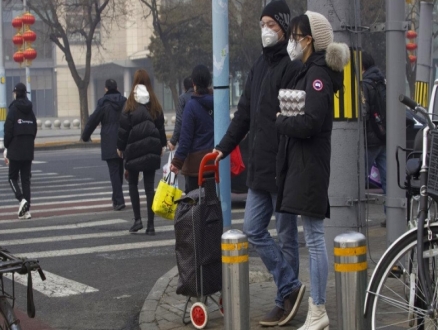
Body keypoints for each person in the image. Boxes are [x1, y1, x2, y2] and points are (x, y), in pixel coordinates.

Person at [213, 1, 304, 326]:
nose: (264, 30)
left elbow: (296, 120)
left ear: (282, 26)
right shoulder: (258, 67)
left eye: (270, 24)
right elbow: (243, 116)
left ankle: (284, 302)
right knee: (252, 228)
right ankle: (291, 286)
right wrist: (222, 148)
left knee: (287, 236)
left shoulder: (292, 67)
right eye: (262, 23)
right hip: (260, 167)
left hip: (284, 166)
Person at [276, 11, 350, 330]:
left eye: (296, 35)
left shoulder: (317, 73)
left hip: (311, 166)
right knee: (313, 237)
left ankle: (318, 310)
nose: (292, 41)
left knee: (316, 239)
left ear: (310, 40)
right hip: (306, 164)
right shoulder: (308, 70)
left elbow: (311, 122)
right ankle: (316, 309)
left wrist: (281, 121)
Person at [117, 69, 167, 235]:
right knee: (149, 186)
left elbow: (124, 128)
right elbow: (160, 125)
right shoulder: (154, 102)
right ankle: (151, 225)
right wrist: (162, 145)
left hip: (133, 148)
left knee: (132, 183)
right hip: (152, 147)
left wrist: (120, 147)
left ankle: (137, 220)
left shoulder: (130, 103)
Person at [82, 79, 127, 211]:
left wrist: (85, 136)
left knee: (114, 172)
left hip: (108, 140)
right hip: (123, 139)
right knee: (119, 170)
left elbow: (93, 120)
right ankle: (116, 198)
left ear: (106, 89)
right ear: (117, 87)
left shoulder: (103, 103)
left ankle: (119, 201)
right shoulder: (124, 102)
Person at [170, 65, 213, 193]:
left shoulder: (191, 106)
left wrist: (177, 162)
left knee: (194, 207)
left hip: (196, 167)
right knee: (211, 202)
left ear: (193, 83)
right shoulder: (217, 102)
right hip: (213, 162)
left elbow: (185, 138)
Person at [4, 82, 37, 220]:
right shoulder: (30, 109)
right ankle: (26, 210)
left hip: (15, 148)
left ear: (16, 93)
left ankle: (21, 199)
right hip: (28, 148)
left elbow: (8, 129)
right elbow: (34, 127)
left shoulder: (13, 109)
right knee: (25, 180)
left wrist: (7, 146)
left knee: (12, 177)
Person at [361, 51, 387, 227]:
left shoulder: (364, 85)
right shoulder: (382, 82)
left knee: (357, 179)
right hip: (384, 136)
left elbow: (363, 112)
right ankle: (392, 215)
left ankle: (355, 216)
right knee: (389, 179)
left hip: (369, 140)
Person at [167, 76, 194, 151]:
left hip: (186, 139)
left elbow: (179, 121)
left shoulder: (182, 98)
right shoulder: (199, 97)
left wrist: (173, 141)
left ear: (184, 87)